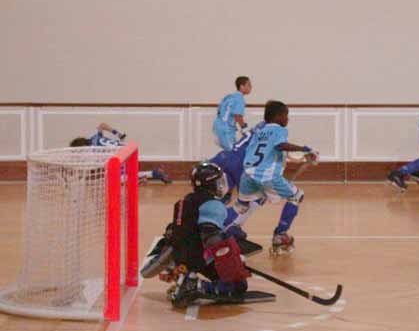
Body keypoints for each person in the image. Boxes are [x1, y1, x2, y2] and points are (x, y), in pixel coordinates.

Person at [226, 100, 317, 255]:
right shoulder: (279, 129)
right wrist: (304, 149)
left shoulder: (258, 131)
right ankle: (280, 235)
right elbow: (280, 145)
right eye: (286, 115)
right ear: (278, 116)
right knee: (296, 196)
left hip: (247, 174)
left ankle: (221, 229)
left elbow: (268, 152)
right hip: (267, 176)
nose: (287, 119)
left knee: (242, 206)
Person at [164, 162, 255, 308]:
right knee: (238, 285)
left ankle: (187, 278)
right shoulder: (213, 204)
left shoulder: (183, 201)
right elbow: (211, 238)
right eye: (218, 181)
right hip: (198, 257)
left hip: (180, 257)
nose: (221, 185)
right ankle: (195, 285)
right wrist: (235, 260)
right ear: (210, 183)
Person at [69, 123, 172, 184]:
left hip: (122, 156)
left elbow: (91, 168)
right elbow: (102, 125)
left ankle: (151, 174)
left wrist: (78, 178)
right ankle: (145, 176)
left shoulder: (91, 151)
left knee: (116, 179)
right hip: (127, 149)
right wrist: (118, 134)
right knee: (115, 175)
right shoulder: (95, 137)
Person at [212, 76, 252, 151]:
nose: (251, 87)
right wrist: (244, 129)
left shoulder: (229, 96)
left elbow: (220, 110)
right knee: (233, 152)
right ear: (241, 86)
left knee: (230, 151)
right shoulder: (239, 98)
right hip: (226, 129)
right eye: (249, 85)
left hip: (219, 126)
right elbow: (238, 116)